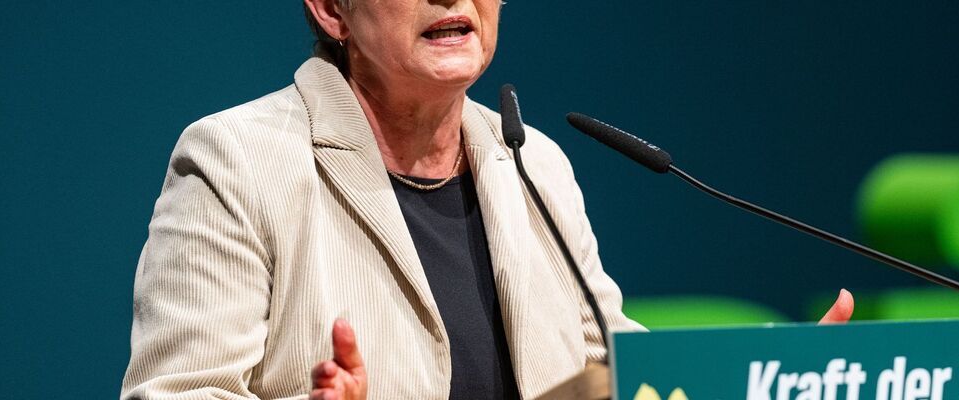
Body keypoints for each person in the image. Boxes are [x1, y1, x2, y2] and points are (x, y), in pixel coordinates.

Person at [121, 0, 855, 399]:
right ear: (331, 8)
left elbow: (615, 371)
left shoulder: (533, 164)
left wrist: (764, 384)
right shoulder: (238, 160)